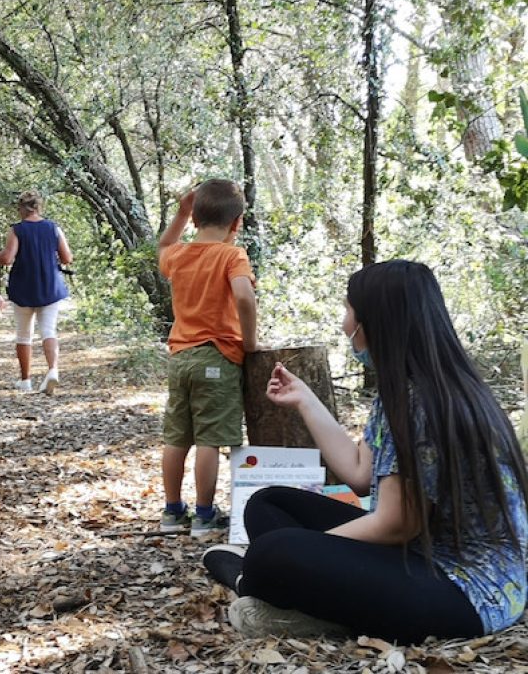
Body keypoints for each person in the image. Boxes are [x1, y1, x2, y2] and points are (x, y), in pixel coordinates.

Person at [202, 260, 528, 644]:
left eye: (348, 310)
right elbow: (359, 473)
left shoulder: (421, 402)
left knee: (272, 552)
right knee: (267, 503)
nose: (344, 324)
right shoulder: (407, 389)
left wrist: (316, 551)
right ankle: (321, 596)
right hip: (420, 552)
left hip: (468, 590)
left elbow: (397, 523)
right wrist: (305, 399)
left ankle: (266, 585)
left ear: (375, 321)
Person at [156, 180, 257, 537]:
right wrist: (250, 342)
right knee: (209, 439)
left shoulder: (180, 254)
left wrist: (181, 213)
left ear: (195, 218)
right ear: (237, 222)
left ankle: (171, 512)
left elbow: (164, 246)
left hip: (180, 358)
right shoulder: (232, 255)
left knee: (177, 437)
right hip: (217, 357)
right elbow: (244, 297)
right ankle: (203, 515)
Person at [0, 190, 72, 394]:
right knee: (49, 330)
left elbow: (6, 259)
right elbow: (67, 258)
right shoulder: (54, 228)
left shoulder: (17, 230)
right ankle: (53, 370)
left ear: (22, 208)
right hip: (50, 286)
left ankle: (25, 380)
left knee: (24, 334)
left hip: (23, 286)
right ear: (39, 207)